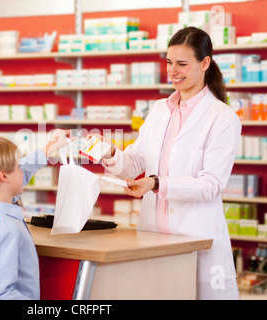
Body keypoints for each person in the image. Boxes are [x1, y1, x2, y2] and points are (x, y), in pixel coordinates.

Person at [94, 27, 241, 300]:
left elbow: (211, 185)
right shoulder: (160, 109)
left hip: (195, 238)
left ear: (205, 63)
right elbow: (135, 160)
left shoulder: (222, 118)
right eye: (169, 63)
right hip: (152, 239)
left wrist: (157, 183)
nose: (173, 71)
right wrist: (109, 152)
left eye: (182, 64)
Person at [0, 134, 67, 300]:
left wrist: (48, 148)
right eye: (19, 167)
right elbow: (0, 294)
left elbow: (19, 176)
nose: (23, 171)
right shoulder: (4, 228)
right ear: (4, 176)